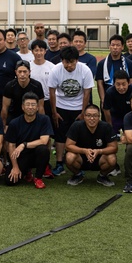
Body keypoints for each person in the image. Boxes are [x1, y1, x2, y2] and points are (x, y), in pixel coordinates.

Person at [47, 46, 95, 176]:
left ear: (77, 60)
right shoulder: (56, 70)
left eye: (72, 62)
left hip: (78, 107)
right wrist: (54, 112)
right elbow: (52, 92)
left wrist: (83, 112)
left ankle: (80, 162)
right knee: (60, 136)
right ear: (62, 60)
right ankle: (59, 163)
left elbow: (87, 93)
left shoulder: (85, 70)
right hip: (61, 107)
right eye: (66, 62)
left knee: (79, 136)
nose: (69, 65)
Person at [5, 92, 55, 189]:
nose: (30, 107)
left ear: (37, 107)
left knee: (43, 149)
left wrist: (24, 144)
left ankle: (38, 177)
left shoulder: (44, 119)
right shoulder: (14, 123)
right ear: (22, 107)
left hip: (37, 154)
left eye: (33, 105)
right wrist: (15, 167)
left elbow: (44, 140)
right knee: (9, 181)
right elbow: (11, 146)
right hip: (21, 156)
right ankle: (26, 172)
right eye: (27, 104)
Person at [65, 103, 117, 187]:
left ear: (99, 116)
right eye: (88, 115)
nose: (92, 118)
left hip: (100, 158)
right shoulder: (76, 126)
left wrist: (99, 151)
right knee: (69, 157)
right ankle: (77, 175)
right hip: (81, 158)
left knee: (112, 158)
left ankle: (102, 176)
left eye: (95, 116)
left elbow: (114, 148)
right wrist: (84, 150)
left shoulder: (106, 127)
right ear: (84, 116)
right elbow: (68, 145)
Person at [95, 35, 132, 105]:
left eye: (118, 45)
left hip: (125, 99)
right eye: (113, 45)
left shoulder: (129, 63)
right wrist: (103, 100)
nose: (115, 48)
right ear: (109, 47)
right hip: (108, 98)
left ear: (122, 47)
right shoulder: (102, 64)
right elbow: (100, 83)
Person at [1, 60, 45, 126]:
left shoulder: (37, 85)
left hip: (32, 116)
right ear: (16, 72)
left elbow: (40, 107)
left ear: (29, 72)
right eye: (20, 72)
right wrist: (3, 125)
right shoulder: (10, 86)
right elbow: (5, 108)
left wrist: (42, 125)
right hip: (14, 116)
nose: (22, 75)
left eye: (25, 72)